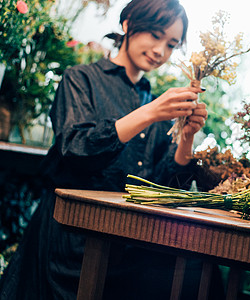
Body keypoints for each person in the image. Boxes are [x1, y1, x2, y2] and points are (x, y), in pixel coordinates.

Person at [0, 0, 225, 299]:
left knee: (202, 274)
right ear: (128, 24)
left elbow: (161, 186)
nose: (161, 50)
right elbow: (75, 148)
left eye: (171, 44)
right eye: (155, 35)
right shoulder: (81, 79)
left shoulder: (154, 101)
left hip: (122, 246)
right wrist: (148, 113)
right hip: (69, 240)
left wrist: (186, 138)